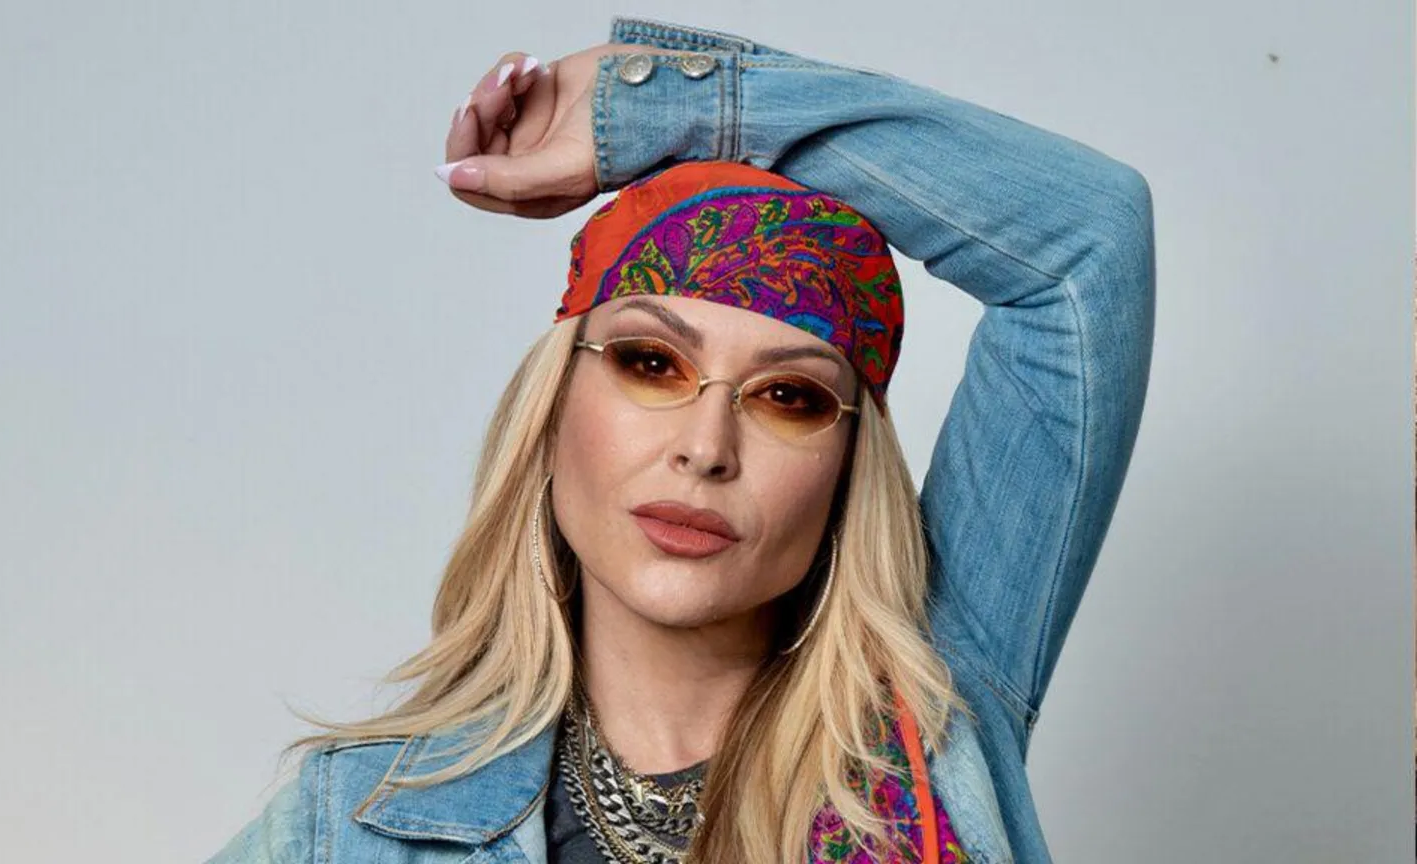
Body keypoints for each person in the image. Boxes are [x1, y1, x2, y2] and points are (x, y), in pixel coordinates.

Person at [205, 15, 1155, 864]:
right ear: (552, 413)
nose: (707, 447)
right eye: (651, 364)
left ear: (843, 467)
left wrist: (662, 109)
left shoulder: (935, 724)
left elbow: (1086, 238)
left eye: (789, 396)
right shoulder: (357, 827)